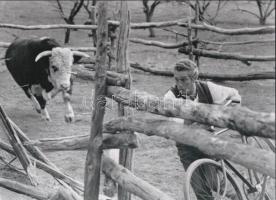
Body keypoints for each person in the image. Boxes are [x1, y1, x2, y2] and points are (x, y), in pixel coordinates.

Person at [164, 59, 241, 200]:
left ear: (194, 78)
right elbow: (176, 127)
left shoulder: (208, 89)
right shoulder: (171, 97)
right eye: (176, 80)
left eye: (183, 80)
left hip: (207, 143)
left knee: (215, 183)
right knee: (201, 192)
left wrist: (222, 115)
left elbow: (235, 95)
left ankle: (240, 195)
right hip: (187, 148)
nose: (179, 85)